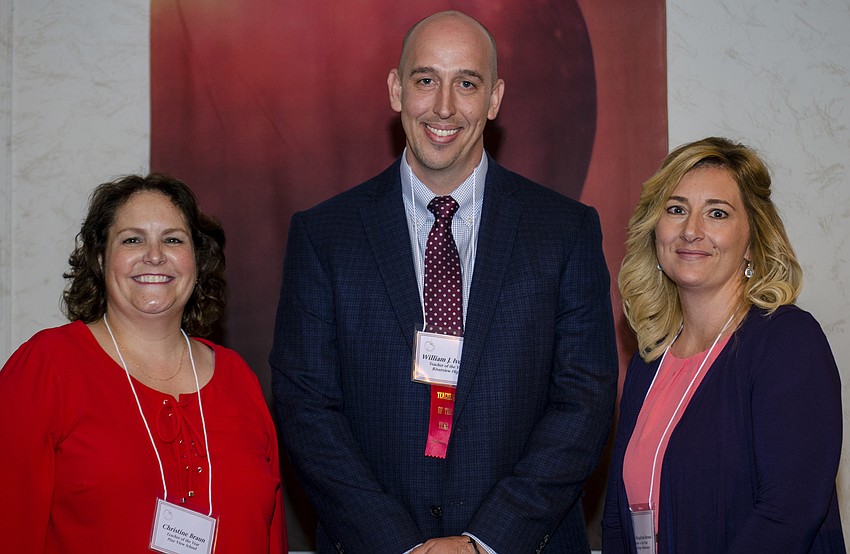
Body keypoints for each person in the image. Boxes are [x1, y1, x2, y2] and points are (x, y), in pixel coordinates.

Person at [270, 10, 618, 554]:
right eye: (426, 79)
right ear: (395, 89)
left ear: (495, 99)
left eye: (468, 83)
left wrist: (486, 540)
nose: (445, 106)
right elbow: (306, 407)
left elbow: (585, 400)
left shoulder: (565, 231)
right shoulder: (324, 236)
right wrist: (398, 544)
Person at [0, 174, 287, 553]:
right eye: (132, 239)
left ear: (197, 262)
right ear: (101, 259)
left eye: (173, 239)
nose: (154, 255)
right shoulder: (47, 366)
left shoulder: (238, 378)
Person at [602, 137, 844, 553]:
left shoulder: (786, 342)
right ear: (655, 233)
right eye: (676, 209)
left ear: (752, 240)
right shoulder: (650, 358)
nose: (691, 230)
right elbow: (616, 515)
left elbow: (787, 514)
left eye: (717, 213)